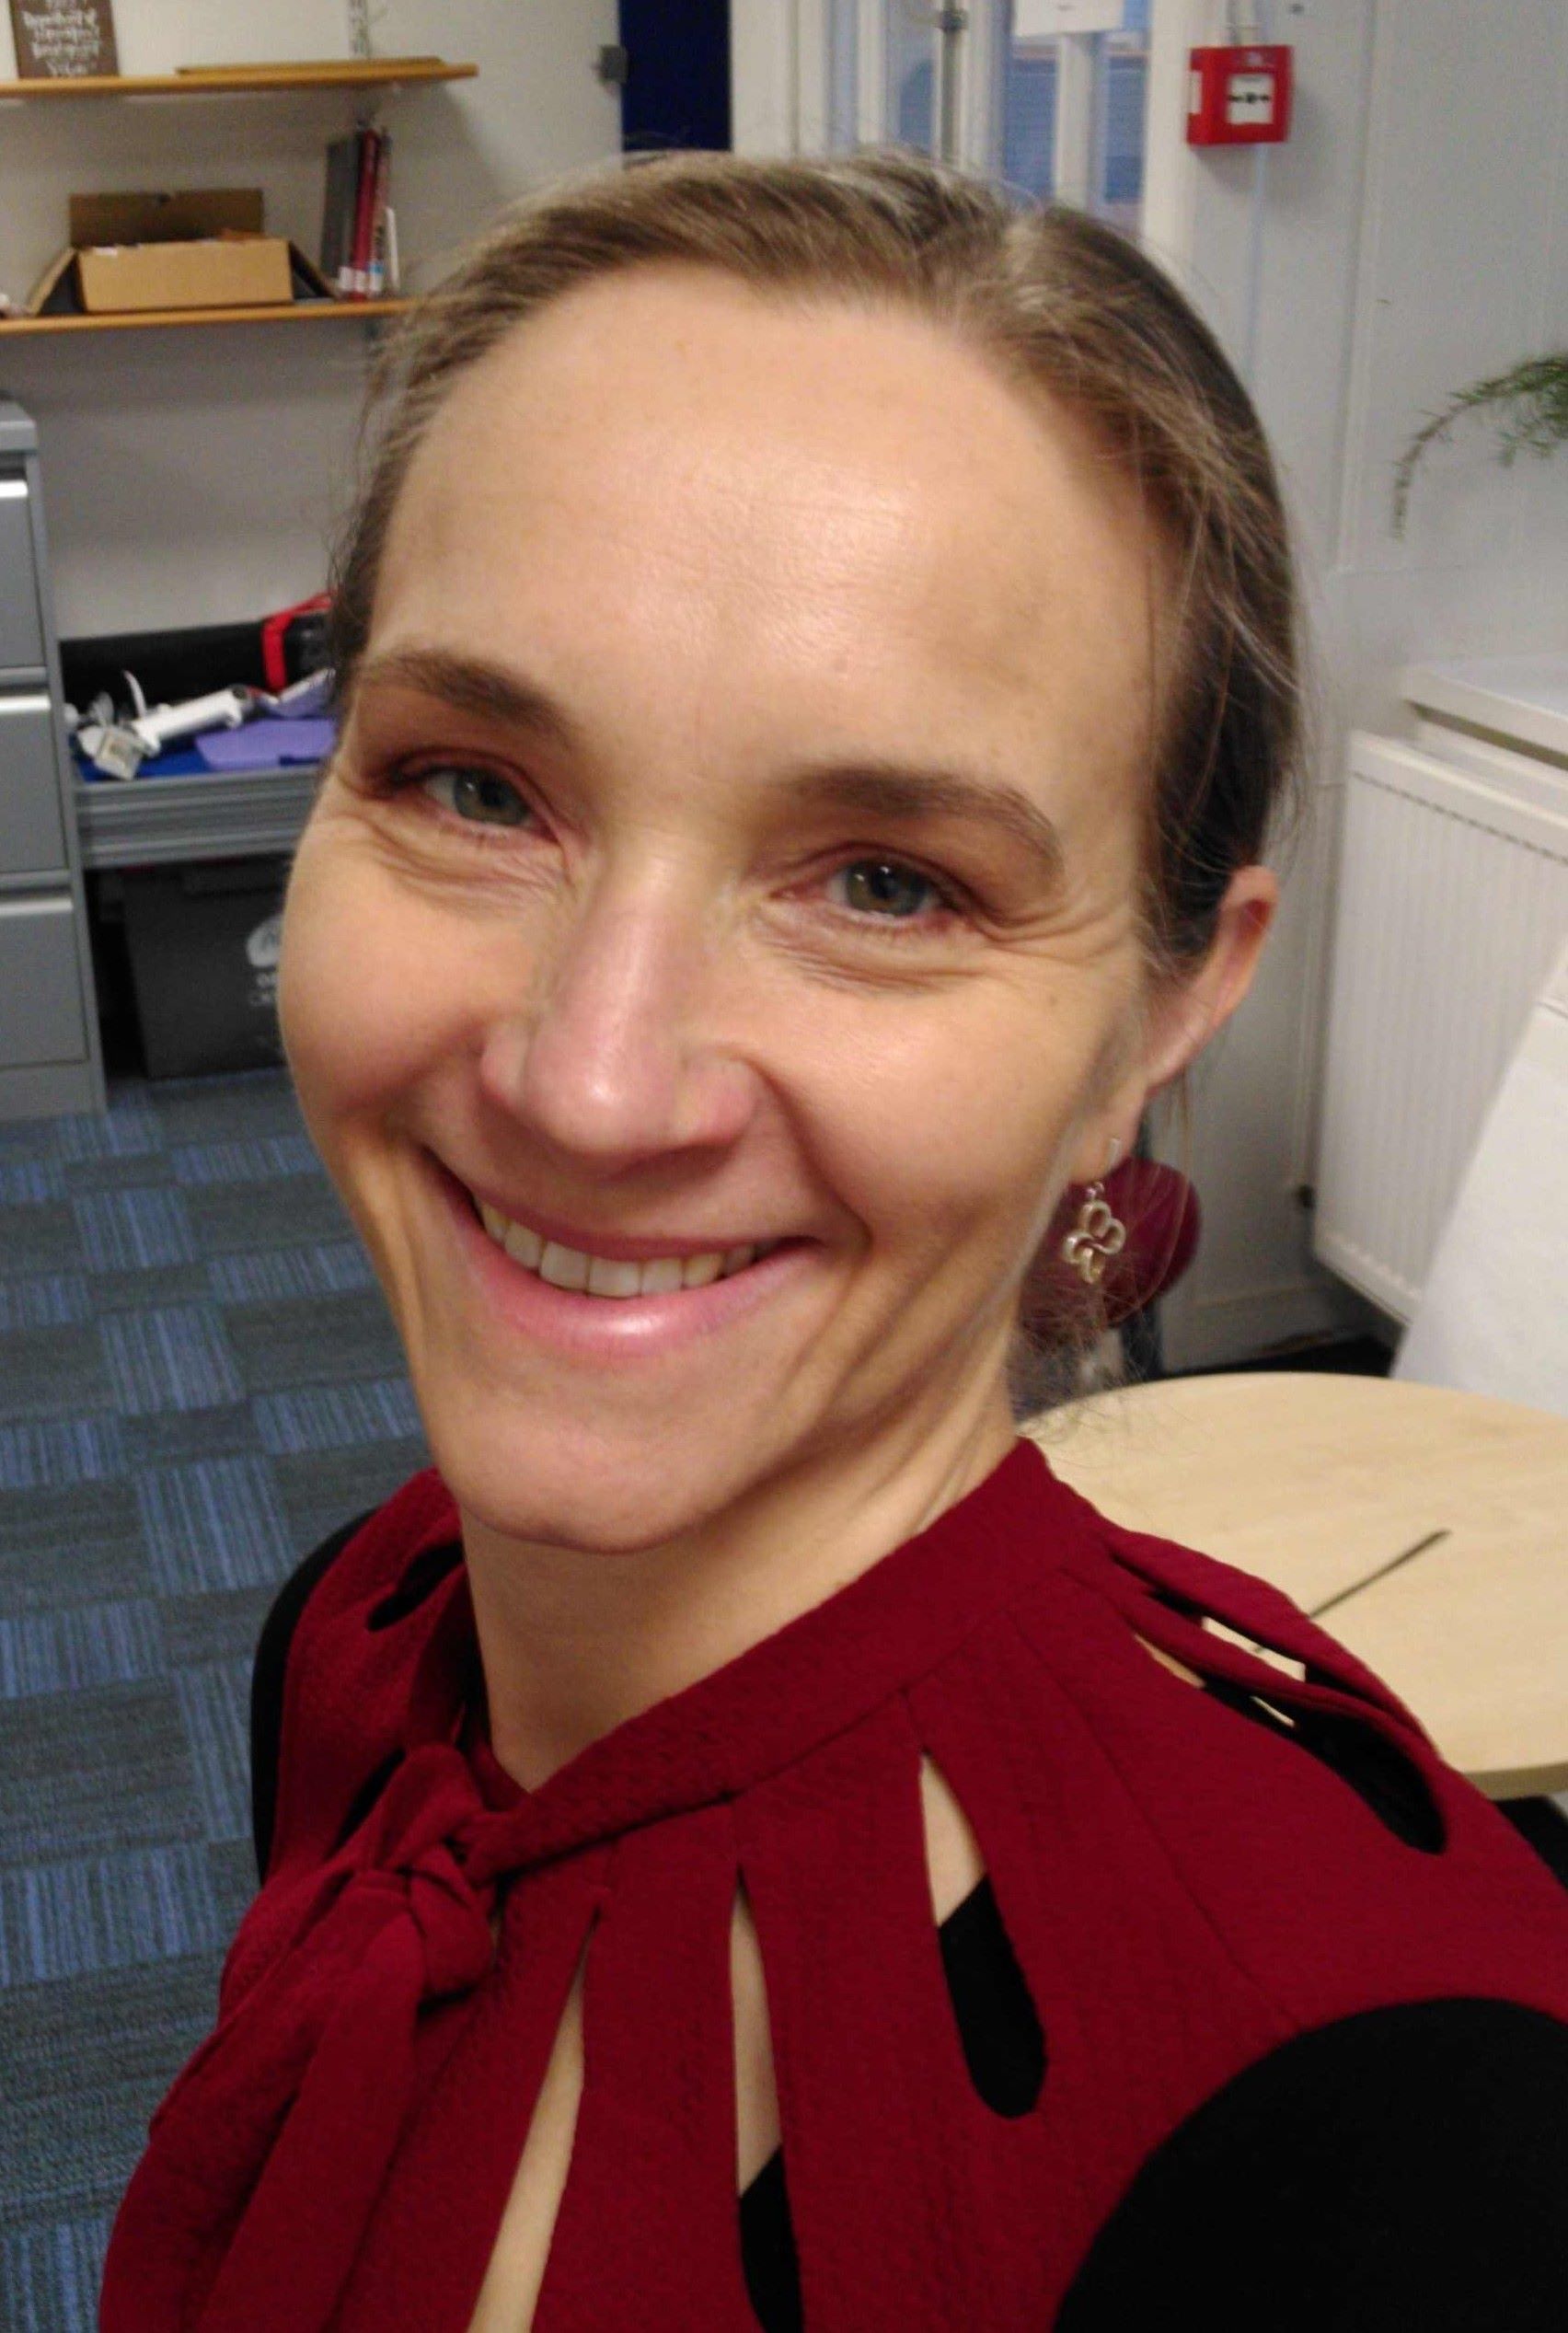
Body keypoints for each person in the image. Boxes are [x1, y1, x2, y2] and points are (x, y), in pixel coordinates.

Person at [100, 150, 1568, 2333]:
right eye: (476, 784)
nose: (593, 1084)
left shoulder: (1396, 2141)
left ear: (1167, 1009)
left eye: (889, 881)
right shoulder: (365, 1637)